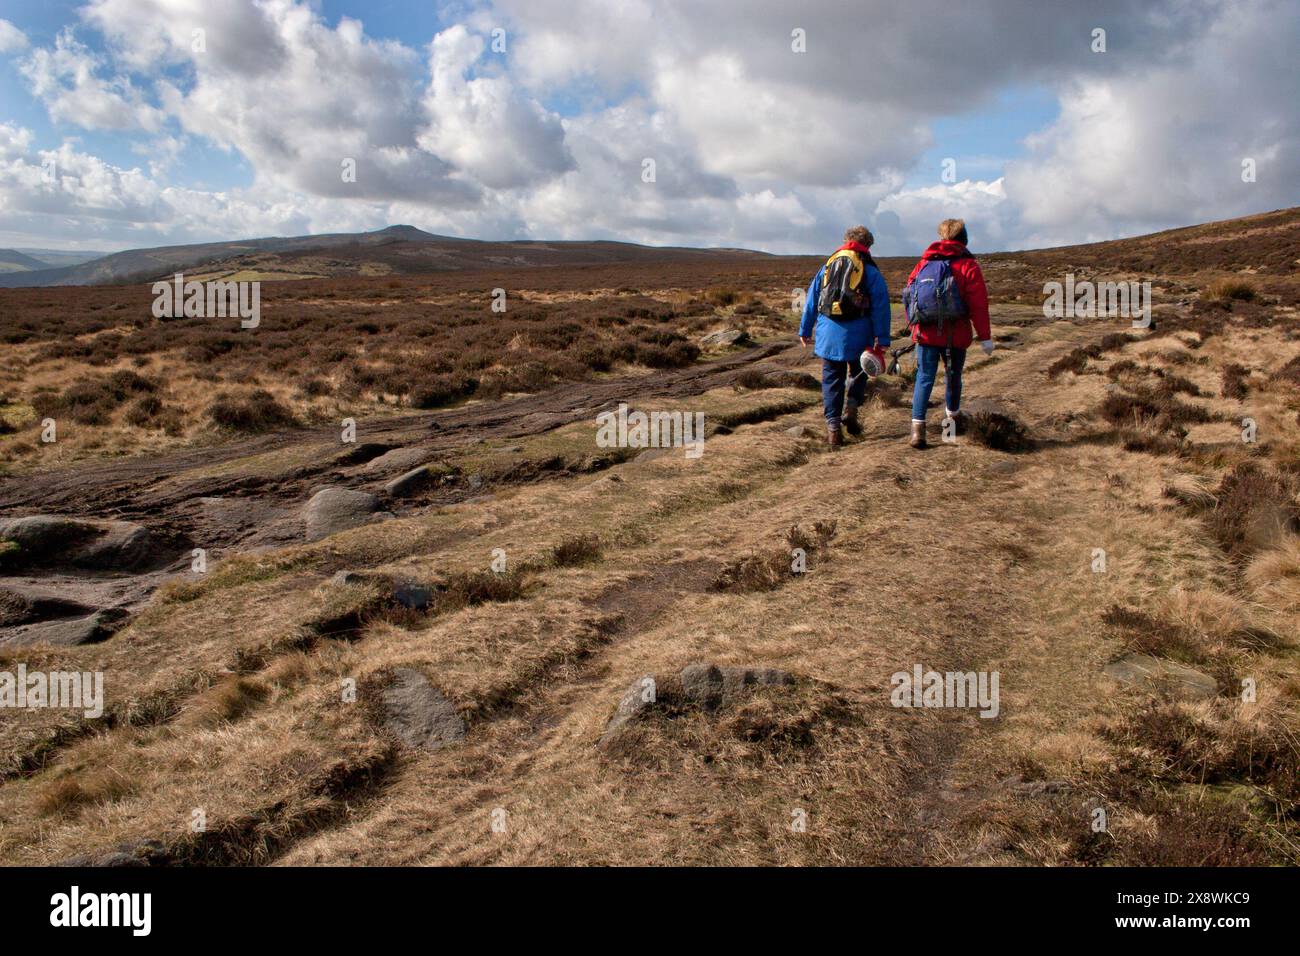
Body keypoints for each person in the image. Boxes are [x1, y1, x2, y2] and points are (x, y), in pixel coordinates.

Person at [901, 218, 993, 449]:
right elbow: (978, 305)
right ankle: (951, 424)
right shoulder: (968, 265)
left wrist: (915, 328)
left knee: (924, 378)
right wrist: (985, 337)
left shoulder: (924, 263)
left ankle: (917, 432)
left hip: (926, 334)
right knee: (953, 377)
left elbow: (909, 296)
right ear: (964, 237)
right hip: (955, 334)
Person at [799, 226, 891, 447]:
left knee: (832, 379)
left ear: (846, 240)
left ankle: (833, 428)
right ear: (868, 245)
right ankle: (851, 407)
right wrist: (883, 339)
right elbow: (881, 307)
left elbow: (811, 300)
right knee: (859, 372)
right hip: (860, 332)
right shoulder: (870, 271)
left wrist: (805, 329)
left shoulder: (828, 267)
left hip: (828, 332)